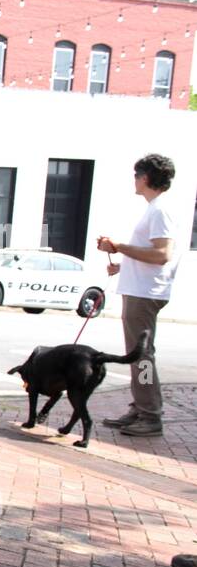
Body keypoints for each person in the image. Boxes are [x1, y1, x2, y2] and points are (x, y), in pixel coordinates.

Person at [97, 154, 179, 438]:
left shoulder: (159, 211)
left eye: (136, 175)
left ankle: (149, 414)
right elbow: (152, 254)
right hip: (140, 290)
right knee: (139, 355)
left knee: (141, 355)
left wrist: (118, 246)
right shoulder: (156, 209)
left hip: (144, 294)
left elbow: (162, 254)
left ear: (145, 178)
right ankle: (141, 407)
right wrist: (123, 264)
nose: (134, 180)